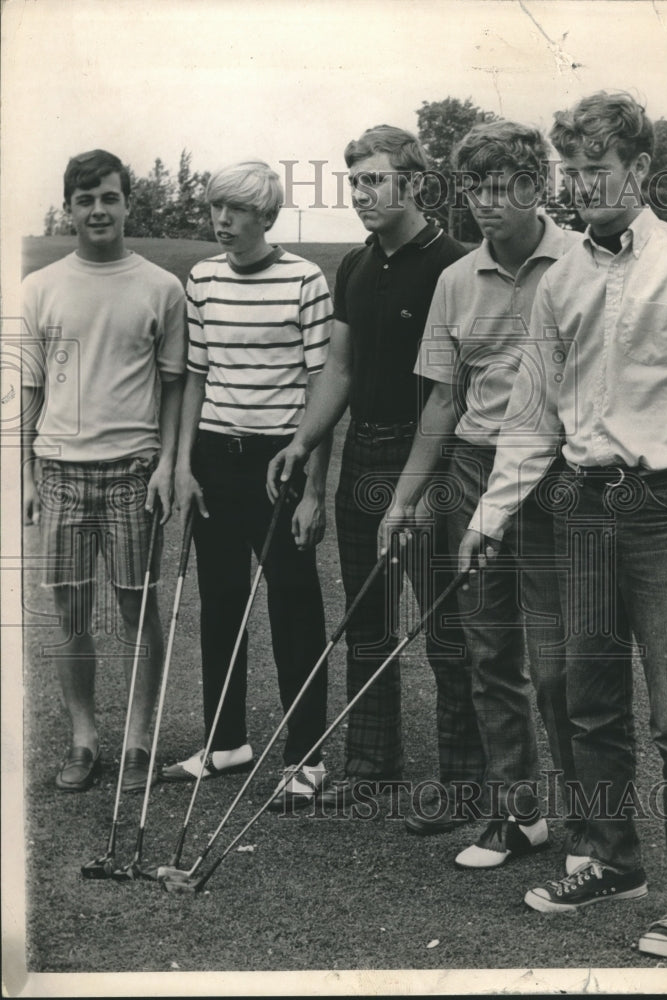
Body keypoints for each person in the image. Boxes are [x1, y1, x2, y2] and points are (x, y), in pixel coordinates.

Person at [459, 91, 667, 958]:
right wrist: (490, 514)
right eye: (572, 171)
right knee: (589, 706)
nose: (581, 186)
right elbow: (533, 414)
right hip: (579, 509)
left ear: (640, 172)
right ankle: (609, 858)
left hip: (666, 513)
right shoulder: (564, 280)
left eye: (598, 169)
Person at [268, 125, 484, 831]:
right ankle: (372, 766)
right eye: (354, 182)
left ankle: (463, 782)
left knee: (445, 627)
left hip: (431, 458)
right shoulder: (356, 265)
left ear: (416, 182)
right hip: (362, 449)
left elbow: (450, 393)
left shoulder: (454, 264)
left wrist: (414, 493)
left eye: (376, 180)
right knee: (368, 618)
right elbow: (339, 369)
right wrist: (302, 443)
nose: (362, 194)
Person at [379, 120, 583, 869]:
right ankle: (516, 812)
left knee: (561, 662)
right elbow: (440, 401)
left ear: (537, 187)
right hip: (470, 470)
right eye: (474, 188)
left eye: (502, 188)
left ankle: (590, 824)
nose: (485, 203)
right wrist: (403, 501)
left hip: (560, 478)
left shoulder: (581, 266)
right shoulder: (455, 279)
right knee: (489, 652)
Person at [162, 161, 333, 810]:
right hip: (214, 456)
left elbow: (324, 387)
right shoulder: (202, 278)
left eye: (235, 212)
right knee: (221, 598)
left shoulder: (304, 279)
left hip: (280, 462)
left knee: (293, 601)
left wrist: (314, 488)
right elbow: (196, 378)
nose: (222, 223)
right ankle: (225, 739)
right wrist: (182, 464)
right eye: (215, 210)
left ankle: (306, 755)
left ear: (267, 217)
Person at [21, 149, 186, 793]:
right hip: (60, 470)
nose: (98, 210)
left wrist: (168, 464)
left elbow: (174, 387)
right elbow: (29, 392)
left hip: (132, 472)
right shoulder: (40, 288)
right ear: (70, 208)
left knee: (138, 610)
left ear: (126, 204)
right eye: (85, 200)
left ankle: (140, 743)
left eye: (109, 197)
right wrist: (27, 477)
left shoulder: (159, 288)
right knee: (72, 616)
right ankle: (85, 742)